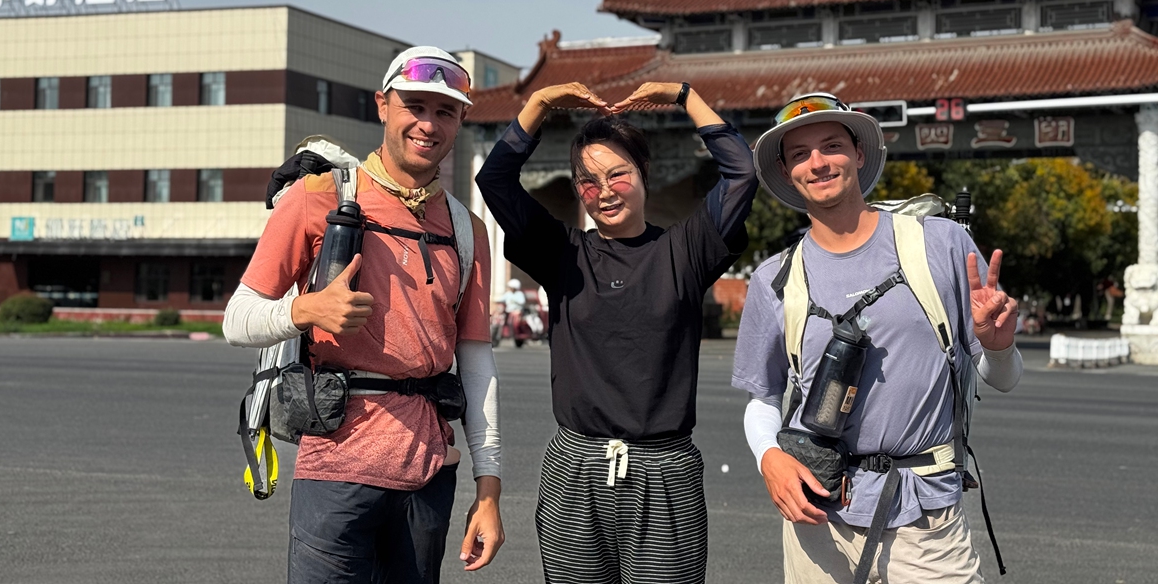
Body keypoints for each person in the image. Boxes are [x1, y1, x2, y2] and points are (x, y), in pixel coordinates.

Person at [223, 46, 504, 584]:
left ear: (460, 121)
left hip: (429, 476)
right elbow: (238, 318)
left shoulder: (466, 230)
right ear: (382, 105)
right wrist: (306, 309)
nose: (428, 124)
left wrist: (488, 486)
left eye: (445, 111)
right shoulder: (317, 197)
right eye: (414, 106)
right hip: (335, 470)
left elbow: (476, 365)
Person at [731, 92, 1024, 583]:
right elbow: (763, 397)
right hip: (817, 517)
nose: (818, 163)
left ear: (860, 153)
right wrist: (770, 458)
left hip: (924, 518)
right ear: (786, 172)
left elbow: (1005, 378)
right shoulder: (775, 279)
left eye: (832, 145)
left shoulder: (939, 244)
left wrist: (997, 345)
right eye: (800, 154)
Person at [475, 80, 758, 583]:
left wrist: (684, 96)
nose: (603, 191)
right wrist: (540, 103)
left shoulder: (685, 251)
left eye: (617, 174)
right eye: (587, 181)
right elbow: (494, 179)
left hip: (665, 472)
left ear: (644, 172)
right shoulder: (562, 254)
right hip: (574, 470)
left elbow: (742, 173)